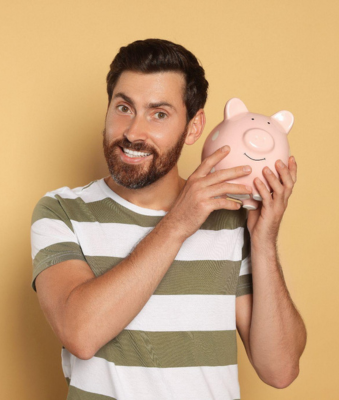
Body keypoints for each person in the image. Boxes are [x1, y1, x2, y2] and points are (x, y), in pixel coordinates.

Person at [30, 38, 306, 400]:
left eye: (159, 114)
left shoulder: (228, 220)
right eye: (124, 107)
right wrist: (178, 224)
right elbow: (81, 334)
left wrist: (264, 242)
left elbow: (280, 369)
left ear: (194, 128)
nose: (132, 132)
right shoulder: (61, 211)